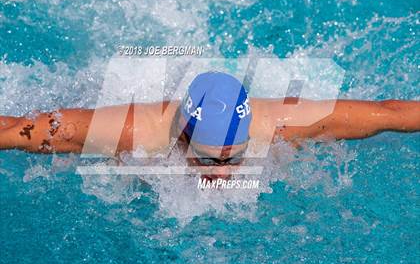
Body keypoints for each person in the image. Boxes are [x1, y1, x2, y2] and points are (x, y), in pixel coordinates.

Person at [0, 72, 419, 180]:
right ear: (183, 135)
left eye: (233, 159)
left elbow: (392, 113)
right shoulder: (133, 134)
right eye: (207, 159)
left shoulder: (286, 124)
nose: (221, 175)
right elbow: (25, 127)